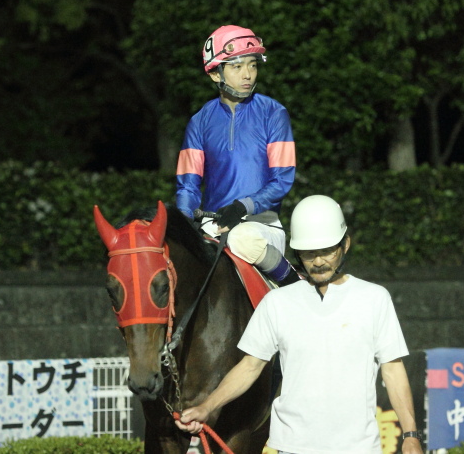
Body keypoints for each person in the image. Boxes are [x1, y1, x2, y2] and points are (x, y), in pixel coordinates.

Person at [175, 195, 424, 454]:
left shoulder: (374, 298)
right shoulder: (276, 302)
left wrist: (410, 434)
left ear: (345, 244)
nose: (318, 261)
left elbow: (393, 370)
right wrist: (207, 406)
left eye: (327, 250)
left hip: (358, 447)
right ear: (296, 251)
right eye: (308, 252)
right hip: (292, 447)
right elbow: (249, 366)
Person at [175, 24, 300, 286]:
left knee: (242, 238)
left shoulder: (274, 114)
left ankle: (296, 289)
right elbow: (188, 185)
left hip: (261, 225)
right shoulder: (199, 122)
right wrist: (183, 225)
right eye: (237, 66)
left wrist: (242, 206)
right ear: (215, 74)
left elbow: (282, 181)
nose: (248, 75)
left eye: (252, 65)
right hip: (212, 226)